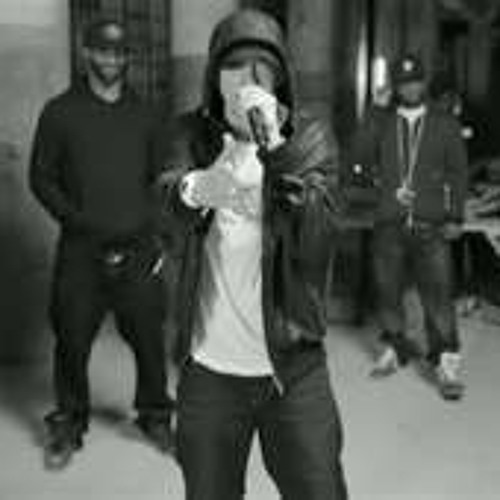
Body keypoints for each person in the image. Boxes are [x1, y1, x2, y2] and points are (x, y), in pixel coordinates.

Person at [156, 9, 348, 500]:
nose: (248, 81)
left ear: (280, 79)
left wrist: (277, 151)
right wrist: (197, 188)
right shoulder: (189, 135)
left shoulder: (308, 138)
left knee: (320, 490)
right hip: (210, 373)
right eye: (235, 67)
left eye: (263, 68)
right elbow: (163, 209)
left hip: (293, 367)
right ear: (214, 77)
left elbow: (318, 239)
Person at [29, 19, 174, 469]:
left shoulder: (148, 115)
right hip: (81, 251)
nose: (111, 59)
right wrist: (75, 219)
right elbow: (41, 178)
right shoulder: (59, 112)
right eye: (103, 51)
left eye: (119, 52)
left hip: (138, 249)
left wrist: (154, 230)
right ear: (86, 52)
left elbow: (162, 179)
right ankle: (69, 422)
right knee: (71, 339)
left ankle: (155, 415)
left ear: (127, 57)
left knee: (149, 337)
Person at [354, 54, 468, 401]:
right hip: (389, 223)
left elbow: (458, 173)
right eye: (404, 82)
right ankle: (395, 348)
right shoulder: (382, 121)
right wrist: (375, 110)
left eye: (416, 80)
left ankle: (446, 363)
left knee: (439, 296)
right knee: (387, 291)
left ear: (424, 82)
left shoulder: (444, 122)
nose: (411, 87)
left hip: (431, 224)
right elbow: (359, 156)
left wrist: (455, 216)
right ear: (396, 86)